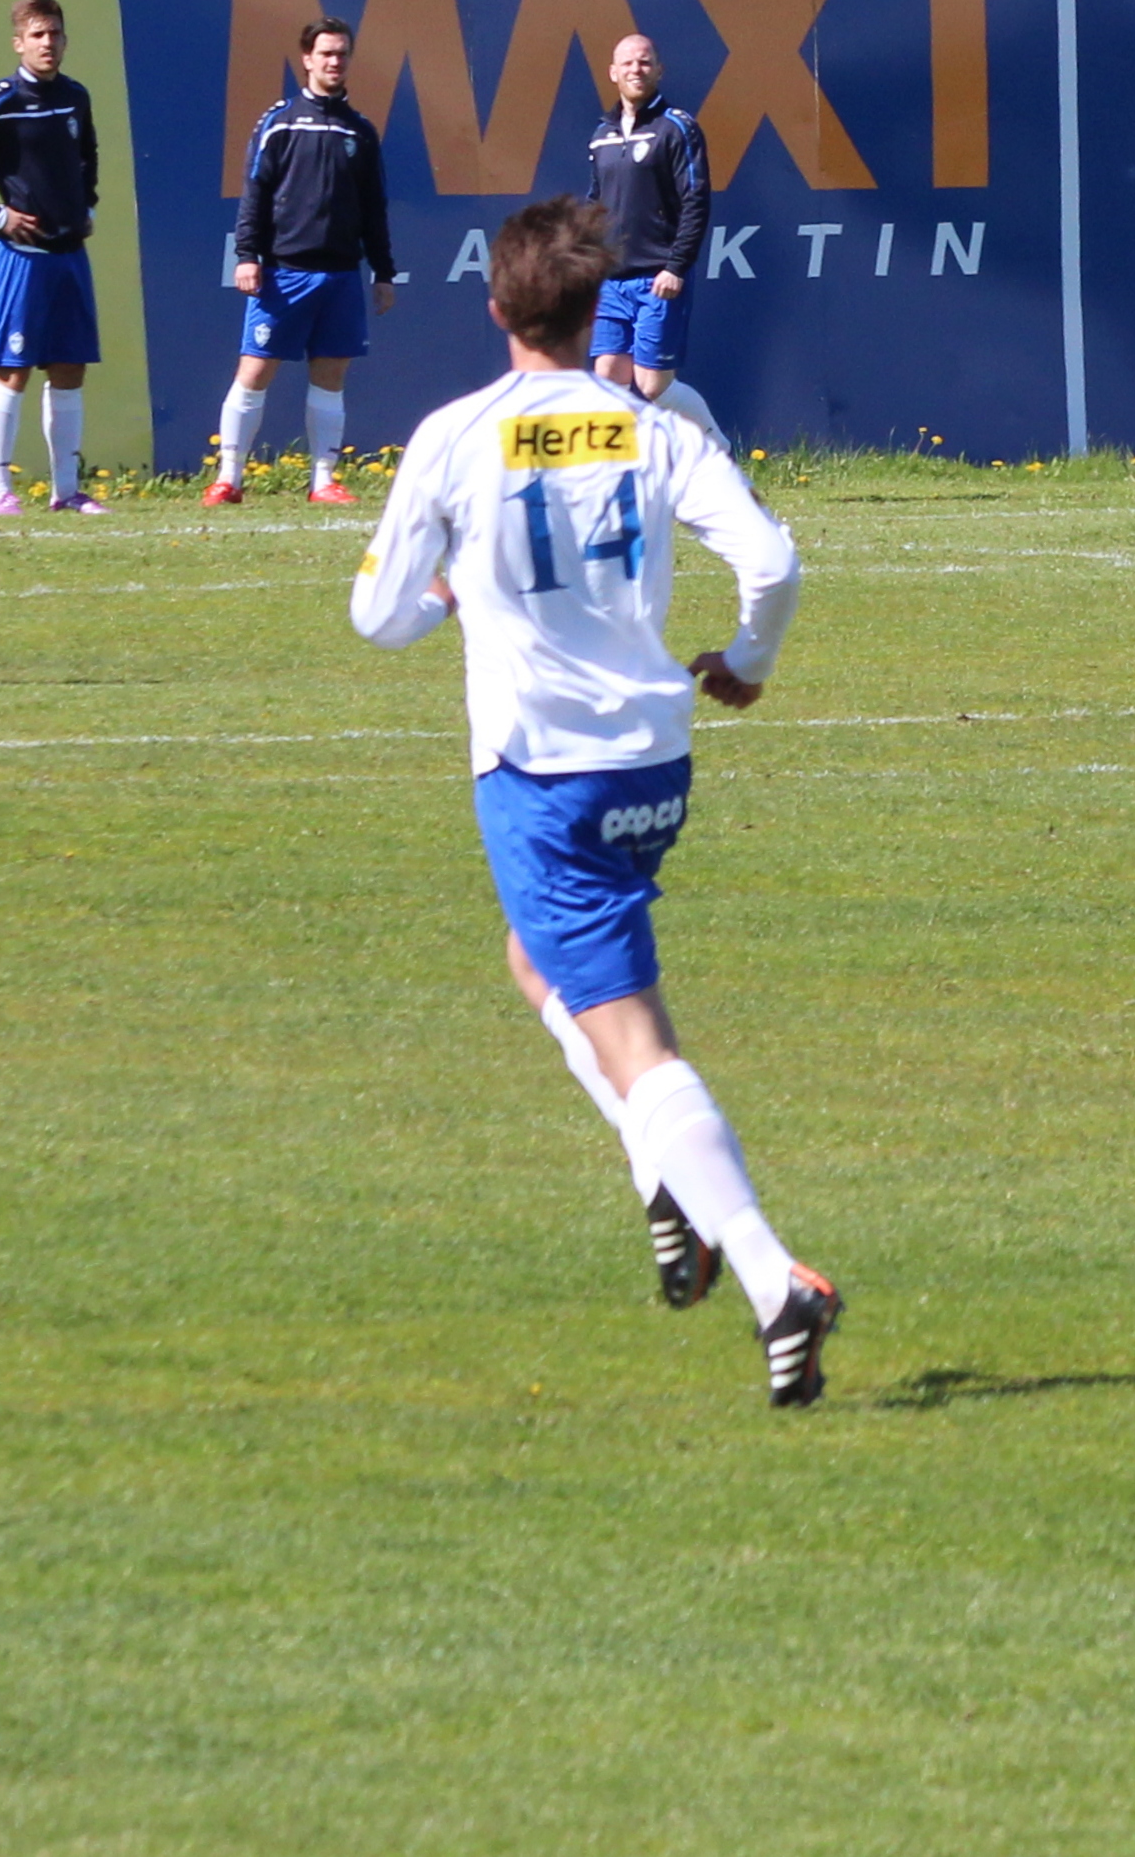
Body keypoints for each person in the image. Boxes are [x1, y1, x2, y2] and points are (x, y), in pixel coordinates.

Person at [348, 194, 836, 1407]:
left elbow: (377, 617)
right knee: (538, 962)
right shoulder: (653, 427)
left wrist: (448, 594)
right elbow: (771, 560)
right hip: (652, 762)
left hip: (538, 770)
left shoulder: (453, 436)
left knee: (633, 1040)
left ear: (497, 307)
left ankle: (770, 1277)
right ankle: (659, 1171)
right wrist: (748, 661)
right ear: (591, 311)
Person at [211, 17, 400, 506]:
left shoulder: (360, 130)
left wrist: (383, 271)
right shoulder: (280, 122)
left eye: (342, 53)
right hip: (283, 273)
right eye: (326, 53)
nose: (335, 61)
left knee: (330, 376)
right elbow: (255, 193)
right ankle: (228, 478)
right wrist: (247, 256)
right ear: (307, 60)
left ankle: (323, 481)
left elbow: (374, 208)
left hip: (340, 275)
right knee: (254, 372)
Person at [0, 0, 106, 514]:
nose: (47, 43)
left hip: (70, 253)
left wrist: (87, 204)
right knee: (14, 369)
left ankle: (66, 491)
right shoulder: (2, 100)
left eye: (54, 34)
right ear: (19, 44)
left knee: (70, 368)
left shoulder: (75, 96)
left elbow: (87, 154)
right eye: (37, 35)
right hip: (22, 257)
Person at [582, 33, 710, 402]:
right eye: (628, 63)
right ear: (613, 72)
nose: (636, 70)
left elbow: (696, 200)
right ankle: (630, 444)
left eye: (644, 62)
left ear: (659, 70)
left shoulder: (677, 127)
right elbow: (595, 202)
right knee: (608, 376)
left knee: (653, 385)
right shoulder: (601, 135)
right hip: (611, 279)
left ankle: (710, 435)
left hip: (658, 276)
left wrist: (676, 266)